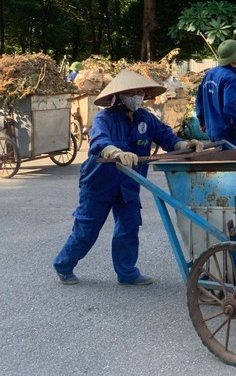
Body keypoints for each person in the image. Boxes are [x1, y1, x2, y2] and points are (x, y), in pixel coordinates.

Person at [53, 69, 204, 286]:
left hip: (130, 182)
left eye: (141, 92)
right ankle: (63, 265)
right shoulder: (103, 118)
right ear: (120, 96)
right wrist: (115, 152)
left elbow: (167, 137)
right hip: (99, 183)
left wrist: (184, 144)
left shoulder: (146, 118)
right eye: (132, 92)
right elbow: (99, 141)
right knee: (87, 230)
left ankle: (127, 272)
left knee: (129, 228)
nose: (137, 96)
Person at [195, 39, 236, 148]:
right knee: (231, 163)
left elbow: (199, 101)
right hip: (227, 131)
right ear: (235, 58)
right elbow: (229, 106)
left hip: (212, 130)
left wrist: (202, 122)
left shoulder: (209, 74)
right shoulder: (230, 78)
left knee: (220, 162)